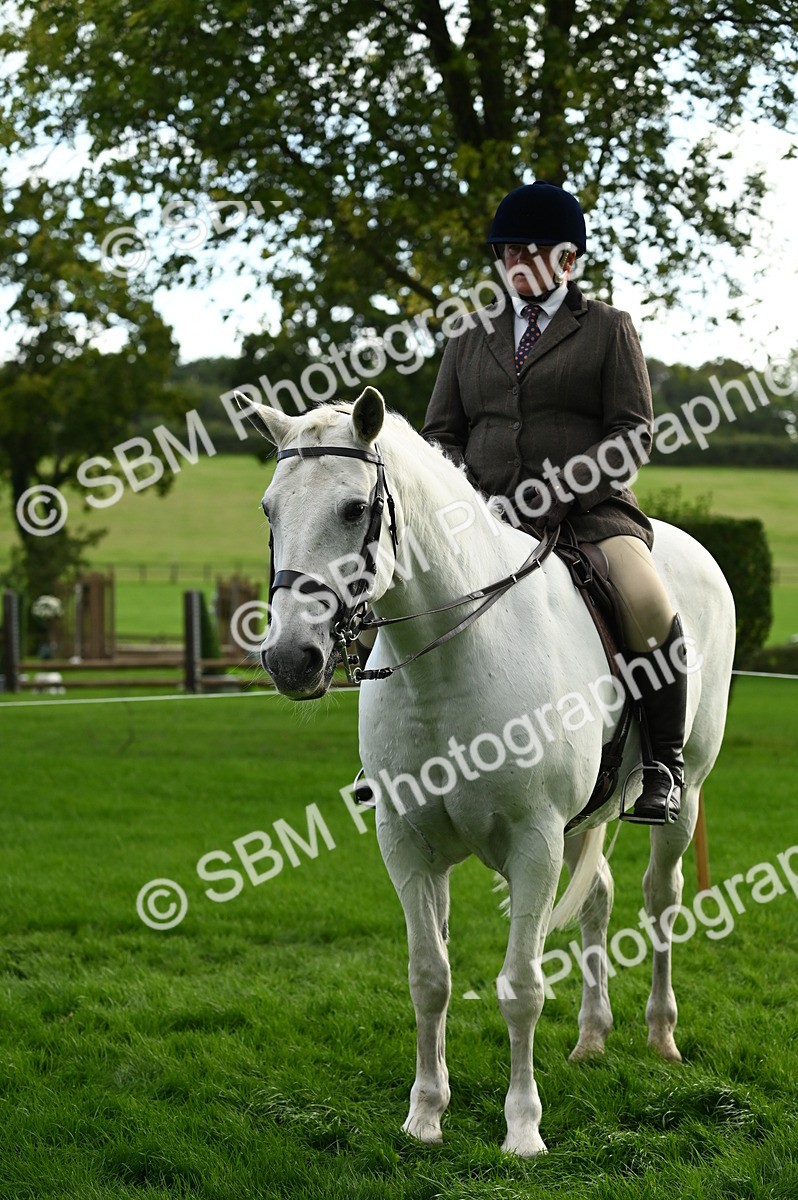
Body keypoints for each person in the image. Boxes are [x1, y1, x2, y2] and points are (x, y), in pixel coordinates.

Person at [421, 180, 687, 826]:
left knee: (648, 602)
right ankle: (393, 756)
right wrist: (466, 498)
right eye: (508, 251)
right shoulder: (470, 336)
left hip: (591, 516)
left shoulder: (607, 330)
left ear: (568, 260)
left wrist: (555, 494)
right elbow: (440, 435)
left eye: (532, 251)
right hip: (482, 521)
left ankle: (663, 762)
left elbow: (633, 434)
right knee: (407, 591)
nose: (517, 263)